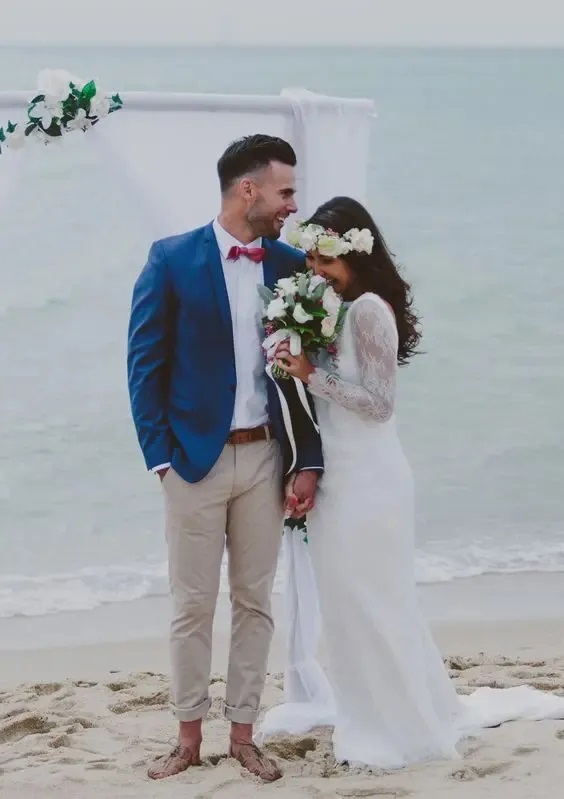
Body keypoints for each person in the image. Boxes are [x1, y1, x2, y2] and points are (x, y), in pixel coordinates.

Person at [262, 195, 564, 768]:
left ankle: (396, 722)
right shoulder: (335, 310)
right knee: (348, 603)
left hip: (372, 480)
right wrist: (296, 362)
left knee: (378, 601)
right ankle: (367, 709)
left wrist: (309, 374)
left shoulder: (370, 310)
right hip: (336, 480)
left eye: (328, 261)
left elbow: (377, 406)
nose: (317, 272)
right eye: (312, 261)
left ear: (357, 253)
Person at [127, 134, 323, 782]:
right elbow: (144, 365)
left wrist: (305, 459)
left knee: (255, 601)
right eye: (285, 191)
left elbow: (307, 369)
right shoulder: (173, 259)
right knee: (191, 605)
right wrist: (161, 457)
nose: (292, 203)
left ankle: (243, 733)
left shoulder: (291, 264)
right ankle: (187, 736)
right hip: (194, 463)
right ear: (250, 190)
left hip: (266, 457)